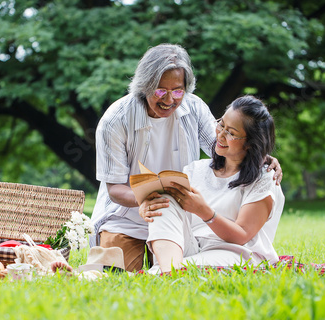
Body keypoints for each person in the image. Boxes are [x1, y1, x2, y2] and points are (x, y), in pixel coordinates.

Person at [90, 43, 282, 272]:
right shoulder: (115, 121)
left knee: (168, 216)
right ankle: (166, 270)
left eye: (178, 91)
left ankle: (167, 270)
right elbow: (115, 189)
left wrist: (261, 155)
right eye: (160, 90)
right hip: (124, 217)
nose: (169, 99)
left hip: (179, 214)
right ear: (144, 86)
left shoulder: (194, 108)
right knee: (115, 277)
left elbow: (224, 143)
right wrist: (146, 200)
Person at [139, 95, 285, 274]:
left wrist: (203, 211)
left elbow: (242, 235)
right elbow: (170, 215)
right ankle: (170, 271)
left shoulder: (264, 178)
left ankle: (166, 271)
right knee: (165, 198)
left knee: (177, 268)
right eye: (221, 124)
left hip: (237, 252)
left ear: (250, 143)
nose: (220, 135)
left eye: (231, 132)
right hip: (192, 246)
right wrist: (148, 206)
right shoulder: (196, 169)